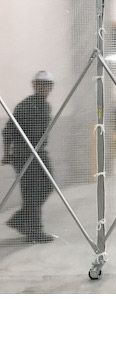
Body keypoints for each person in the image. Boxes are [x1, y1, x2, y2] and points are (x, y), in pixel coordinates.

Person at [2, 71, 55, 243]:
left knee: (48, 185)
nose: (43, 87)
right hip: (24, 153)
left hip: (39, 152)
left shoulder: (46, 106)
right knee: (31, 192)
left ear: (51, 87)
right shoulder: (24, 106)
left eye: (46, 85)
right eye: (39, 84)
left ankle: (20, 219)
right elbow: (7, 131)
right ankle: (34, 231)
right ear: (34, 85)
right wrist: (7, 154)